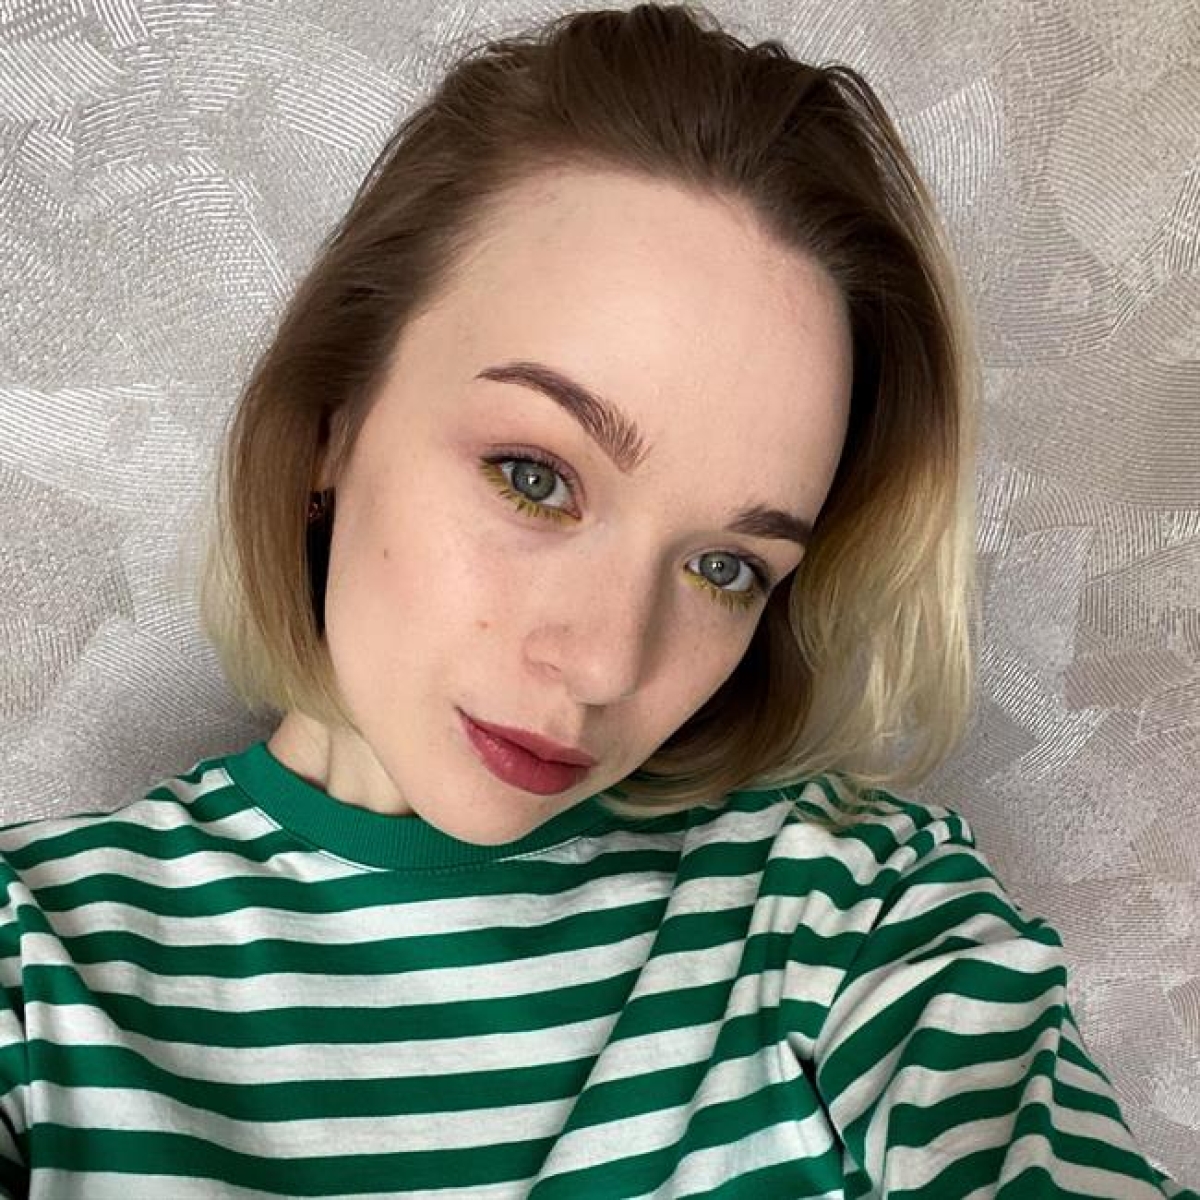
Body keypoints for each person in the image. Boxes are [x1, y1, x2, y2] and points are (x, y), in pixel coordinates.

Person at [0, 3, 1194, 1197]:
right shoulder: (34, 964)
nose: (608, 662)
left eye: (726, 567)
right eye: (535, 478)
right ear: (331, 422)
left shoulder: (855, 910)